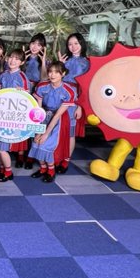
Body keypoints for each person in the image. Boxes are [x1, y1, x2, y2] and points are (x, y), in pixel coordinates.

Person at [28, 62, 76, 183]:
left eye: (56, 72)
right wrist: (38, 131)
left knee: (47, 144)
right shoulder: (42, 86)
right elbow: (38, 110)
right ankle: (43, 168)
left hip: (58, 120)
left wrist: (45, 134)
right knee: (36, 142)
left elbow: (57, 115)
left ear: (63, 74)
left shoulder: (68, 91)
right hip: (43, 116)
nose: (52, 75)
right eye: (50, 71)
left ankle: (51, 170)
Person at [0, 49, 31, 178]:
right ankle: (2, 169)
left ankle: (8, 172)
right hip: (0, 115)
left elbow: (28, 99)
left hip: (11, 118)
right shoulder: (3, 75)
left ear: (22, 62)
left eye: (17, 59)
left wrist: (23, 93)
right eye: (11, 57)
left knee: (2, 147)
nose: (13, 60)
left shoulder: (22, 77)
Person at [58, 32, 90, 173]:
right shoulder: (65, 61)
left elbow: (86, 87)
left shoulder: (87, 63)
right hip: (60, 97)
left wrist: (80, 107)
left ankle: (66, 161)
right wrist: (60, 64)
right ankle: (56, 157)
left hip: (75, 100)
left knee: (70, 132)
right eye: (70, 44)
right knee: (57, 129)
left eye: (76, 43)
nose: (73, 46)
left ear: (82, 44)